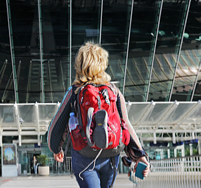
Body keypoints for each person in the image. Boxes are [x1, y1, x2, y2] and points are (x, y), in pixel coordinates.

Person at [47, 42, 150, 188]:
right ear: (102, 64)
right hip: (111, 156)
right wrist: (140, 155)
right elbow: (125, 124)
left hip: (84, 156)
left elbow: (56, 125)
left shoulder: (74, 92)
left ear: (79, 64)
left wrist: (56, 148)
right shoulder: (113, 91)